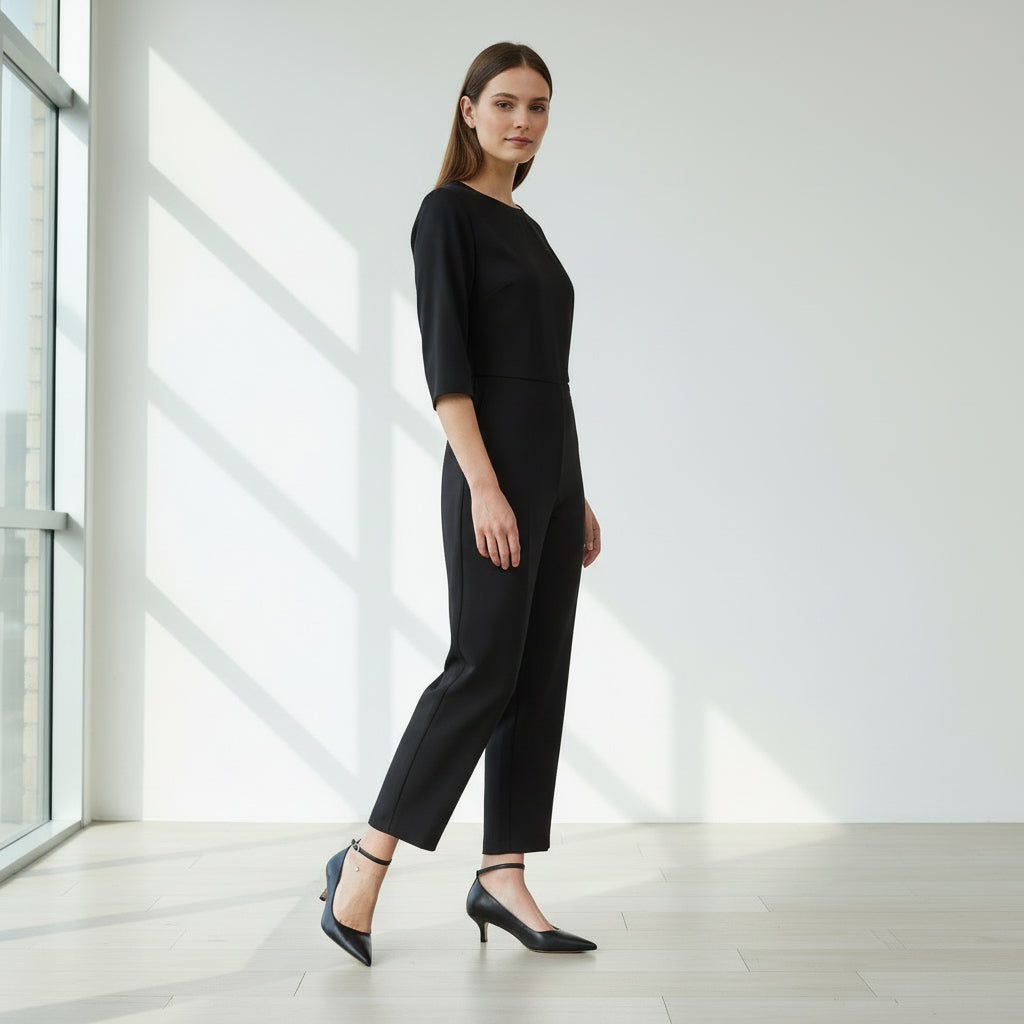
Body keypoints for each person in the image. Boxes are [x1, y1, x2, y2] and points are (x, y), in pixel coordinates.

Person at [319, 41, 602, 966]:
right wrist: (486, 483)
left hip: (552, 471)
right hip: (493, 471)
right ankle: (364, 861)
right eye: (508, 103)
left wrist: (577, 491)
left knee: (537, 671)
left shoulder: (524, 221)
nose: (524, 121)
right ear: (469, 109)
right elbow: (451, 368)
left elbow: (549, 379)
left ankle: (503, 872)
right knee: (481, 667)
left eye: (541, 107)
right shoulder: (447, 215)